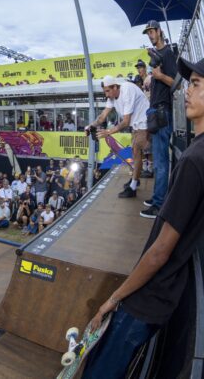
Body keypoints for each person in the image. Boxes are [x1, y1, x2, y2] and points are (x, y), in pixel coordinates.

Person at [81, 57, 204, 378]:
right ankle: (134, 181)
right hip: (165, 295)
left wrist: (113, 298)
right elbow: (108, 113)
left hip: (149, 296)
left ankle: (135, 182)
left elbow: (160, 251)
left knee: (100, 370)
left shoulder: (192, 161)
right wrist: (98, 124)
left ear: (113, 86)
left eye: (195, 84)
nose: (186, 92)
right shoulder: (197, 153)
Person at [86, 75, 150, 199]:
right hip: (136, 126)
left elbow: (125, 121)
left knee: (137, 153)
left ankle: (133, 186)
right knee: (136, 154)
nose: (107, 95)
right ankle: (135, 181)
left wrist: (108, 132)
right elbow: (103, 116)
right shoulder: (112, 97)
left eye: (108, 91)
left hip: (144, 124)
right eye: (105, 92)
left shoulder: (127, 90)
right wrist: (91, 126)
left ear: (115, 86)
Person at [140, 20, 177, 219]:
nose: (150, 35)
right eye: (148, 33)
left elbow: (176, 83)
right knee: (158, 161)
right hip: (156, 113)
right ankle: (158, 197)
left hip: (163, 113)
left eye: (152, 31)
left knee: (161, 163)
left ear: (160, 31)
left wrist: (160, 76)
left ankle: (158, 205)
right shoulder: (157, 56)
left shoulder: (168, 54)